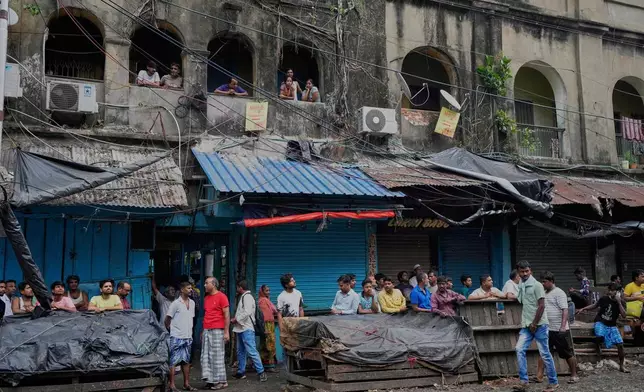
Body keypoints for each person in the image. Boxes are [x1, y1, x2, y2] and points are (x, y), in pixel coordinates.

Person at [515, 261, 558, 392]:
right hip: (527, 325)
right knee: (519, 349)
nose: (524, 274)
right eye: (522, 272)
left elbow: (542, 305)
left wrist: (534, 323)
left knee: (545, 354)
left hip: (539, 325)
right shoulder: (521, 284)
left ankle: (553, 382)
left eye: (526, 271)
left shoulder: (537, 285)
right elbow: (520, 300)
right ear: (519, 272)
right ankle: (524, 382)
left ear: (530, 271)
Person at [537, 272, 578, 384]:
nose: (543, 283)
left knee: (566, 352)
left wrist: (563, 327)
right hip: (547, 328)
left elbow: (564, 310)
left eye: (544, 281)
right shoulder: (544, 293)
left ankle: (574, 374)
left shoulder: (559, 292)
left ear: (551, 281)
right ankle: (539, 376)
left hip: (558, 329)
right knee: (544, 352)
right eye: (542, 281)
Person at [232, 280, 267, 382]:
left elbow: (247, 312)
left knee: (251, 351)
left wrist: (236, 319)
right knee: (240, 351)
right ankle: (241, 372)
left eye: (237, 287)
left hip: (246, 328)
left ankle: (261, 372)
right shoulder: (244, 297)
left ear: (240, 288)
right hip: (241, 328)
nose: (237, 289)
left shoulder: (247, 297)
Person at [165, 281, 197, 392]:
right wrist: (170, 330)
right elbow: (167, 318)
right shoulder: (175, 304)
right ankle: (172, 385)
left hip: (188, 336)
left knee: (186, 361)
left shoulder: (192, 303)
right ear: (182, 290)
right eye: (188, 288)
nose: (191, 290)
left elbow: (191, 318)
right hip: (176, 336)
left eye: (191, 288)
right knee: (173, 361)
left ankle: (186, 384)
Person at [201, 277, 230, 390]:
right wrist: (203, 330)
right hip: (207, 330)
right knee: (206, 356)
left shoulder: (222, 297)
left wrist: (226, 332)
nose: (204, 285)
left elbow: (226, 315)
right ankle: (211, 380)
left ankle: (221, 381)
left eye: (206, 283)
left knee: (217, 357)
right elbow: (206, 314)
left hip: (218, 330)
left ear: (213, 284)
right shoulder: (206, 298)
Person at [258, 285, 278, 372]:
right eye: (266, 291)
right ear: (262, 292)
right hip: (267, 325)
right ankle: (269, 365)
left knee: (266, 344)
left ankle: (266, 364)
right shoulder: (263, 301)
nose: (268, 292)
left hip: (267, 324)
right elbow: (274, 310)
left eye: (269, 290)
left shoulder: (264, 300)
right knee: (269, 344)